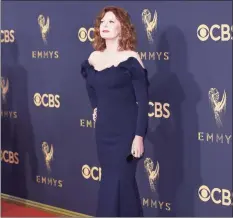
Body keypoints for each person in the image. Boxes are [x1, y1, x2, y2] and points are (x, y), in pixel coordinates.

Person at [80, 6, 149, 217]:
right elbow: (91, 86)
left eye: (111, 22)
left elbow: (143, 102)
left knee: (122, 181)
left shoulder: (131, 59)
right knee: (110, 181)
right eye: (102, 22)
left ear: (123, 28)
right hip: (104, 133)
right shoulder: (93, 58)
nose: (105, 26)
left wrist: (139, 136)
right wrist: (96, 107)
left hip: (127, 133)